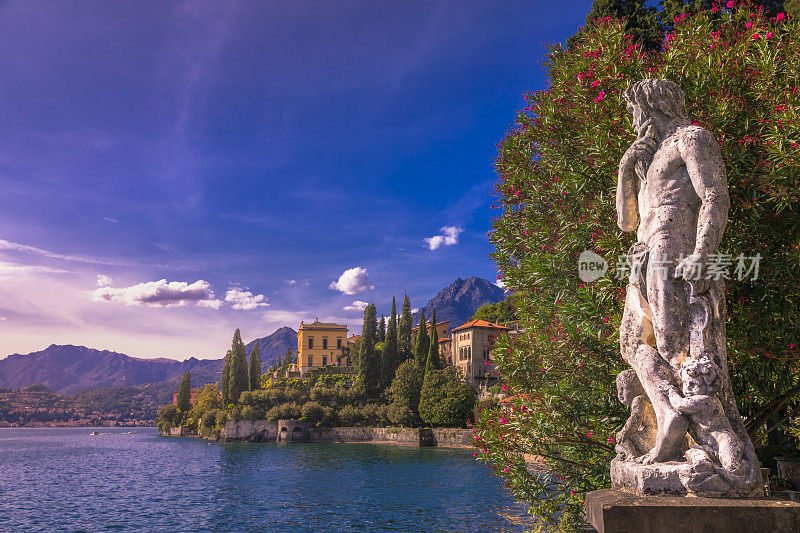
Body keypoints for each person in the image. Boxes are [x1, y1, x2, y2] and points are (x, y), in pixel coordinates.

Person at [616, 79, 730, 465]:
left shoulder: (691, 138)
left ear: (652, 107)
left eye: (633, 111)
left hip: (672, 247)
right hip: (641, 253)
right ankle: (669, 414)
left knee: (672, 345)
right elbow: (627, 221)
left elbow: (714, 195)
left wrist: (703, 252)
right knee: (631, 345)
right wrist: (627, 167)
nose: (632, 120)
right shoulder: (647, 159)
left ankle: (700, 439)